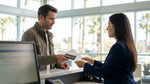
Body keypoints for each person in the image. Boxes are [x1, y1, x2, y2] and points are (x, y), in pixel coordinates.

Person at [75, 13, 137, 84]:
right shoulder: (126, 44)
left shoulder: (118, 47)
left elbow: (104, 72)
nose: (107, 28)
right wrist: (93, 62)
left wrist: (84, 65)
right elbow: (110, 68)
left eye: (109, 25)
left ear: (116, 27)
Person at [22, 4, 69, 70]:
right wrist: (55, 58)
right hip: (37, 78)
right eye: (51, 19)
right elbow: (29, 59)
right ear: (41, 17)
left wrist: (58, 64)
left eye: (54, 19)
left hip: (49, 76)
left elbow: (48, 57)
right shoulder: (29, 34)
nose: (54, 22)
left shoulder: (49, 35)